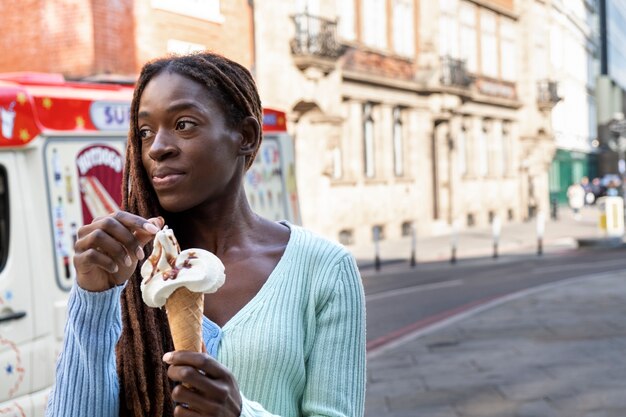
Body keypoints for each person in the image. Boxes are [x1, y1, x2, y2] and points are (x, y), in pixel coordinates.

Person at [46, 52, 366, 417]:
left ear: (244, 136)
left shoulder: (324, 268)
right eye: (145, 131)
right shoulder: (127, 265)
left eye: (184, 124)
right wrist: (94, 299)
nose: (157, 147)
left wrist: (240, 413)